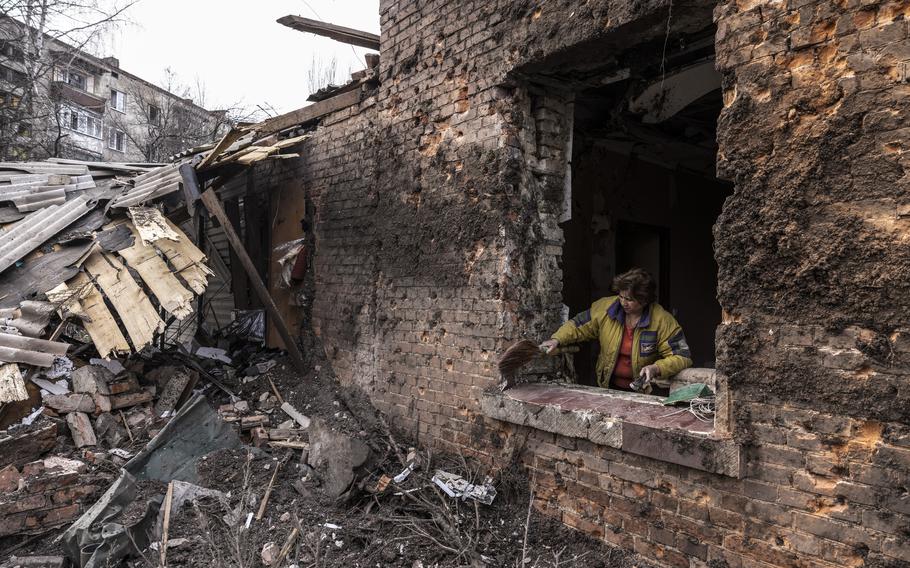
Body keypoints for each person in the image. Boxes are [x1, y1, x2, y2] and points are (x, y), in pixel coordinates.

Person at [540, 268, 692, 394]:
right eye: (621, 296)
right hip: (609, 387)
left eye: (630, 299)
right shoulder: (604, 309)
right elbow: (577, 325)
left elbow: (682, 356)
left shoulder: (662, 320)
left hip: (646, 392)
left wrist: (656, 367)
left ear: (644, 300)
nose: (623, 303)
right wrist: (557, 339)